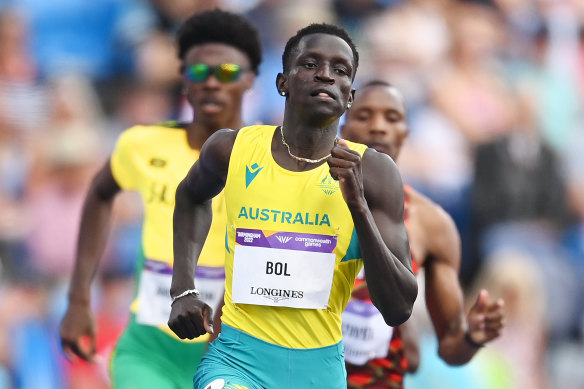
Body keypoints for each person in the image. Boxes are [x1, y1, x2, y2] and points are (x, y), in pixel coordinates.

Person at [168, 23, 418, 389]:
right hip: (237, 359)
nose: (325, 75)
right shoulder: (231, 149)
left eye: (340, 70)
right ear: (282, 82)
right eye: (310, 64)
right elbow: (190, 196)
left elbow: (398, 307)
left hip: (319, 370)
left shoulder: (375, 172)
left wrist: (358, 207)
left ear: (350, 96)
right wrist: (184, 289)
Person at [59, 9, 262, 389]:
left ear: (251, 80)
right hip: (149, 353)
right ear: (183, 78)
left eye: (229, 73)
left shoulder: (269, 157)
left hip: (232, 358)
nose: (213, 83)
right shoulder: (143, 144)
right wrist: (79, 299)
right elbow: (100, 193)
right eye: (200, 72)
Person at [340, 80, 505, 388]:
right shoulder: (306, 198)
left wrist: (470, 336)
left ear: (406, 134)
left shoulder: (431, 224)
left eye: (392, 118)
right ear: (343, 127)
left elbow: (450, 347)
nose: (378, 127)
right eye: (364, 116)